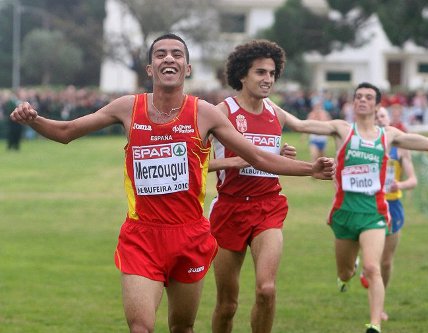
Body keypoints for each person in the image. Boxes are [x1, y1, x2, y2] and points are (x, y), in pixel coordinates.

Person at [10, 33, 335, 333]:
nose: (169, 58)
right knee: (141, 328)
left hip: (189, 235)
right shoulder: (127, 107)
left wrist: (310, 168)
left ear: (187, 67)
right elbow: (67, 132)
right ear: (150, 68)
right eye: (161, 54)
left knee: (182, 328)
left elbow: (260, 157)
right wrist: (34, 120)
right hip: (143, 235)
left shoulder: (205, 113)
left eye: (177, 54)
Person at [280, 82, 428, 333]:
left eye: (368, 97)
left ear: (377, 104)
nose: (362, 100)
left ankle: (374, 324)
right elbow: (299, 125)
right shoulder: (342, 129)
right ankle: (347, 274)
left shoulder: (389, 135)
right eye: (358, 96)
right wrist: (262, 99)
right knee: (346, 272)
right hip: (344, 212)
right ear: (353, 102)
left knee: (373, 267)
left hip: (374, 212)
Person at [209, 39, 324, 333]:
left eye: (272, 73)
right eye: (260, 72)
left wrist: (348, 128)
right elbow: (194, 164)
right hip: (229, 210)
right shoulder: (221, 112)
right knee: (227, 305)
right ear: (242, 75)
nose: (268, 79)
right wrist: (232, 163)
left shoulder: (276, 112)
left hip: (267, 208)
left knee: (266, 290)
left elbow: (303, 127)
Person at [359, 107, 418, 321]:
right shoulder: (364, 146)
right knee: (371, 261)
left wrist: (399, 184)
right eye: (375, 117)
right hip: (367, 204)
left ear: (389, 119)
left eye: (382, 116)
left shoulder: (401, 148)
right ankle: (364, 267)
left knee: (385, 262)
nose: (379, 119)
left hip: (393, 207)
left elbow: (413, 180)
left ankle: (379, 303)